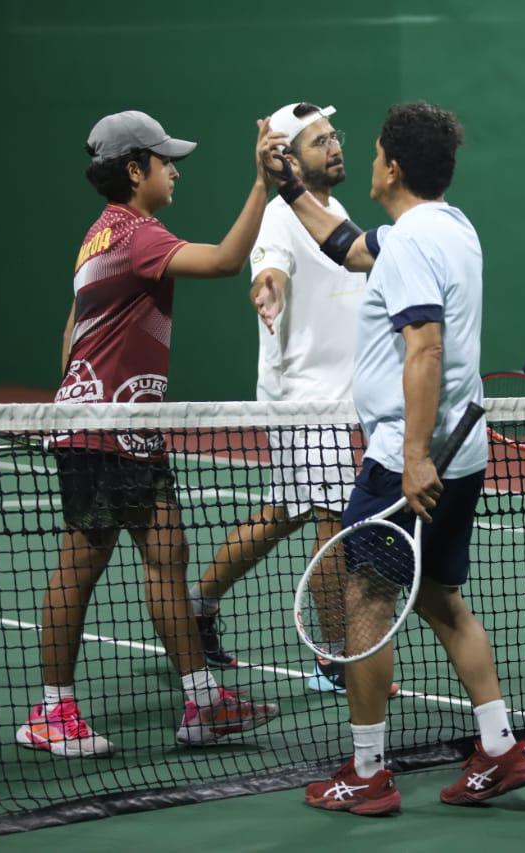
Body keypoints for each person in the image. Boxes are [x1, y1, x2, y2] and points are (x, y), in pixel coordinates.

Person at [262, 102, 525, 814]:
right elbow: (350, 247)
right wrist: (288, 186)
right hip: (463, 452)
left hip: (404, 460)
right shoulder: (448, 227)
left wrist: (414, 457)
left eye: (374, 152)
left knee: (366, 598)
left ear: (391, 167)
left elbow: (424, 347)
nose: (367, 160)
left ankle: (367, 771)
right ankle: (500, 745)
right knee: (440, 598)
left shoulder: (415, 241)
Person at [15, 110, 281, 758]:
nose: (175, 171)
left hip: (126, 428)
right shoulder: (137, 235)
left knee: (168, 551)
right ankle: (51, 712)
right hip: (106, 430)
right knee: (81, 566)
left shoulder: (98, 237)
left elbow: (73, 326)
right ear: (135, 170)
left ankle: (202, 704)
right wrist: (261, 185)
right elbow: (226, 261)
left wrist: (72, 398)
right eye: (166, 162)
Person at [187, 102, 393, 696]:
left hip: (342, 397)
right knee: (333, 520)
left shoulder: (335, 212)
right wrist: (267, 289)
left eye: (334, 136)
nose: (336, 146)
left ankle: (198, 604)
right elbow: (268, 269)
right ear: (289, 160)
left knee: (285, 513)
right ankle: (335, 655)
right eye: (319, 141)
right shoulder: (280, 216)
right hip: (304, 398)